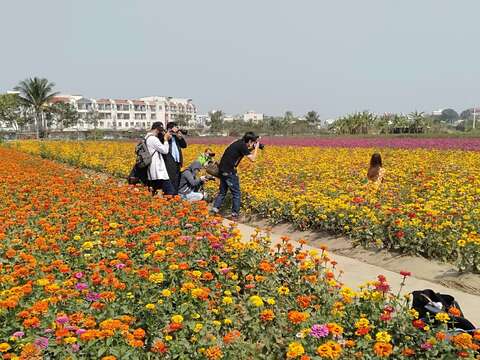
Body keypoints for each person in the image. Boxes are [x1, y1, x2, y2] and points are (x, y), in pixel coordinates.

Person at [212, 131, 260, 219]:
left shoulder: (238, 143)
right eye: (253, 142)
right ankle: (235, 214)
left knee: (222, 192)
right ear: (249, 141)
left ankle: (214, 210)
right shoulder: (242, 146)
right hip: (229, 172)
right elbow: (253, 159)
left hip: (222, 170)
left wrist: (252, 148)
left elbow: (243, 152)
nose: (253, 144)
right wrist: (256, 148)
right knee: (236, 193)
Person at [145, 122, 175, 196]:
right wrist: (165, 139)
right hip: (158, 170)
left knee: (155, 191)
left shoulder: (147, 137)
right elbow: (165, 151)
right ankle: (170, 204)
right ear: (156, 129)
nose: (160, 132)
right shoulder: (153, 139)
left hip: (153, 170)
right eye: (159, 130)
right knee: (170, 191)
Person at [163, 121, 187, 194]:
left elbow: (184, 146)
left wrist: (180, 137)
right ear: (170, 128)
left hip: (177, 162)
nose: (177, 128)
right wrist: (168, 134)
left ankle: (175, 194)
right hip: (169, 161)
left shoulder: (176, 137)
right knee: (171, 179)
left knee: (177, 179)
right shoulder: (166, 136)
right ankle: (170, 195)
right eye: (175, 127)